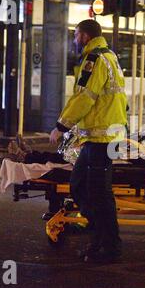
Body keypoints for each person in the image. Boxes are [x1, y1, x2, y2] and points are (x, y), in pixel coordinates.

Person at [49, 20, 127, 263]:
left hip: (102, 139)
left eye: (76, 34)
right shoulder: (109, 56)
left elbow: (84, 98)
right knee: (81, 186)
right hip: (100, 137)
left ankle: (109, 246)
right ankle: (100, 236)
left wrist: (62, 125)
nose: (74, 39)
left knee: (97, 194)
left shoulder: (94, 60)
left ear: (84, 35)